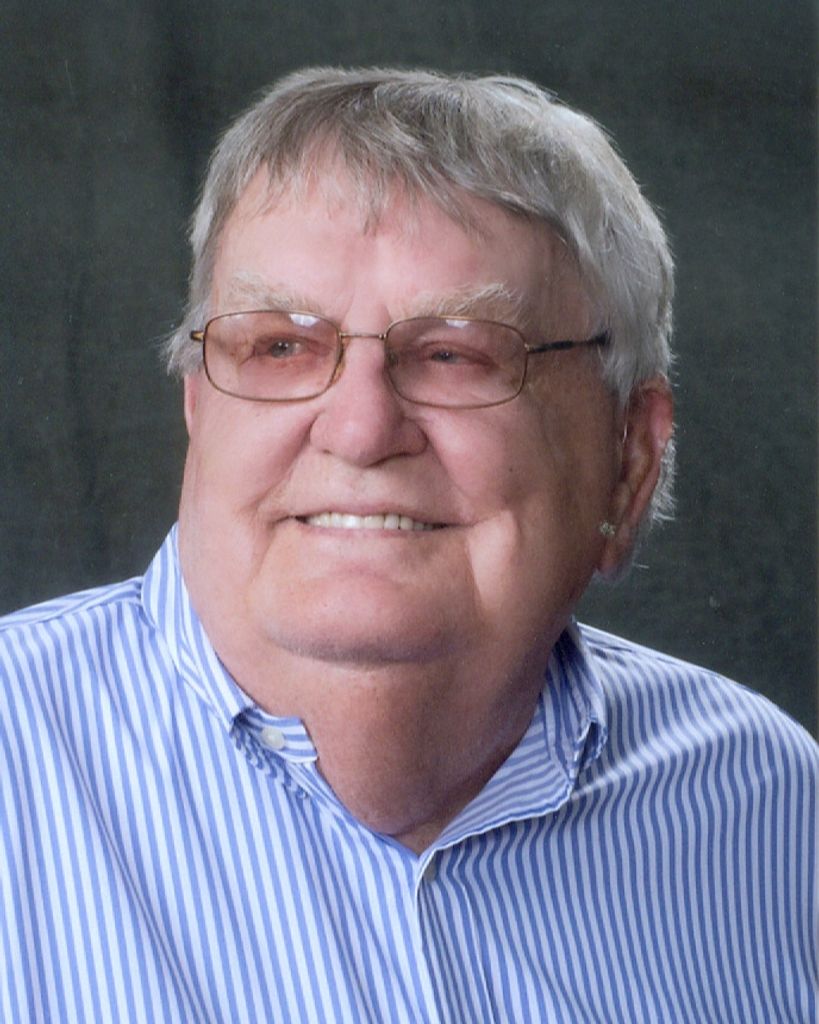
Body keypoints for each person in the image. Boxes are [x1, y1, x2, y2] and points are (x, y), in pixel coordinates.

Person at [1, 67, 816, 1023]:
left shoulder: (772, 815)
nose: (358, 430)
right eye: (279, 347)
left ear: (629, 458)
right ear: (198, 408)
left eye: (456, 354)